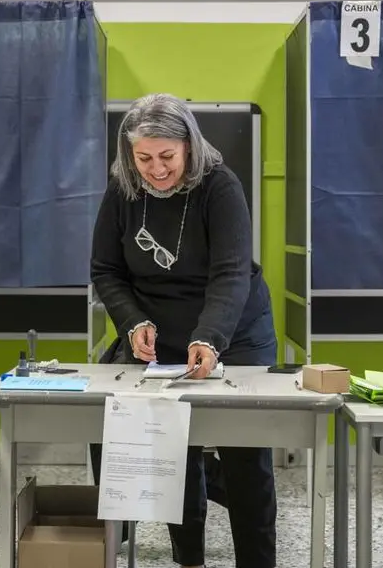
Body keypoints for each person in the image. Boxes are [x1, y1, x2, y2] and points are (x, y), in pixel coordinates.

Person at [90, 93, 278, 568]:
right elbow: (106, 269)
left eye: (167, 157)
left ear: (189, 147)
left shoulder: (221, 186)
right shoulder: (122, 189)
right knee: (175, 449)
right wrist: (132, 321)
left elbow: (232, 273)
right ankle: (188, 558)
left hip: (234, 330)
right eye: (144, 157)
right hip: (160, 330)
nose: (156, 169)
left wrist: (210, 336)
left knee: (245, 458)